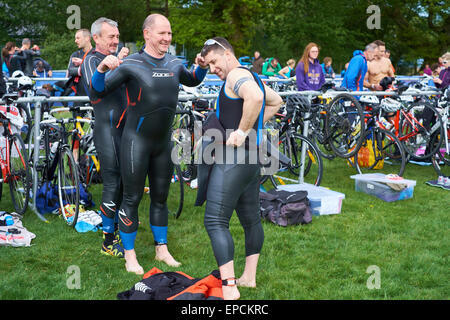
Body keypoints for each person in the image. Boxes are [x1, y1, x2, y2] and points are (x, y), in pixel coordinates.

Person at [90, 14, 208, 275]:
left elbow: (192, 79)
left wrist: (201, 67)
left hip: (163, 144)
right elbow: (98, 90)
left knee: (160, 199)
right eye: (161, 33)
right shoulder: (131, 63)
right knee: (131, 198)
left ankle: (161, 249)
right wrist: (100, 70)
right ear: (147, 34)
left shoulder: (176, 63)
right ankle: (129, 255)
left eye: (169, 33)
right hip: (136, 142)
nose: (167, 38)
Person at [197, 37, 283, 300]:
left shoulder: (236, 75)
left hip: (233, 159)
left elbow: (257, 98)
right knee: (251, 220)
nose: (212, 68)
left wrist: (243, 130)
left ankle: (230, 287)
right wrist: (251, 127)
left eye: (213, 61)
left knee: (215, 221)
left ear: (227, 54)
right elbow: (276, 101)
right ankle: (249, 277)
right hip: (252, 160)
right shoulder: (251, 75)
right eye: (208, 64)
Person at [80, 18, 130, 259]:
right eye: (110, 36)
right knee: (112, 183)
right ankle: (108, 242)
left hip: (124, 129)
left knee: (124, 182)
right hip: (107, 130)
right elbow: (93, 90)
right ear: (96, 38)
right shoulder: (92, 60)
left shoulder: (116, 60)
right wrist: (106, 68)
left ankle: (118, 228)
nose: (115, 40)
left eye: (117, 36)